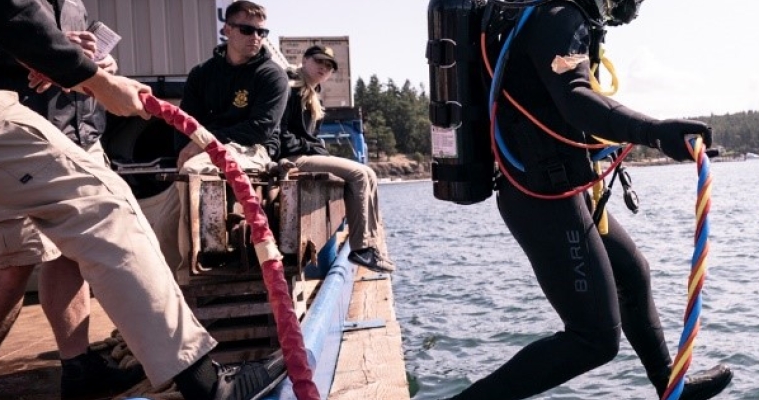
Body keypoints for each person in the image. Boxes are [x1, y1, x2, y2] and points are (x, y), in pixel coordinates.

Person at [0, 1, 280, 400]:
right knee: (98, 200)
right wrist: (93, 78)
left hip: (64, 129)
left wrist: (83, 64)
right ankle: (205, 384)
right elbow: (7, 11)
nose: (255, 38)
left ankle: (79, 368)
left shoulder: (74, 7)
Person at [448, 0, 732, 399]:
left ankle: (671, 385)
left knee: (632, 273)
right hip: (541, 196)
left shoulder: (548, 14)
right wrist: (656, 133)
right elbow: (576, 99)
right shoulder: (558, 17)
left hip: (559, 188)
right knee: (593, 339)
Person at [0, 1, 143, 398]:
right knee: (15, 260)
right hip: (16, 139)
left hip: (82, 139)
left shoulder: (74, 4)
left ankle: (78, 367)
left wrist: (100, 64)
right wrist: (40, 54)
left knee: (71, 253)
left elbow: (83, 61)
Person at [270, 45, 394, 272]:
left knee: (370, 173)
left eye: (328, 66)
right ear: (305, 60)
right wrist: (313, 149)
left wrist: (316, 149)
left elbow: (310, 137)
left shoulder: (312, 95)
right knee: (358, 173)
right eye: (319, 62)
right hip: (291, 157)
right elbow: (281, 133)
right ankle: (360, 248)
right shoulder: (288, 89)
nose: (323, 68)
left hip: (304, 153)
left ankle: (371, 245)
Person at [177, 0, 288, 175]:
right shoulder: (201, 73)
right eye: (247, 30)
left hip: (254, 149)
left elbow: (259, 129)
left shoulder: (273, 75)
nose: (256, 37)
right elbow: (187, 121)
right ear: (228, 30)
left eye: (262, 32)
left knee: (195, 169)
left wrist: (206, 142)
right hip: (204, 148)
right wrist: (185, 148)